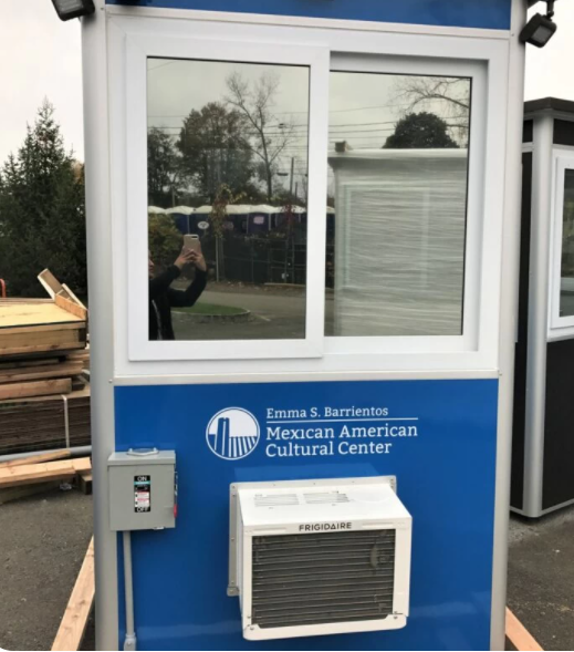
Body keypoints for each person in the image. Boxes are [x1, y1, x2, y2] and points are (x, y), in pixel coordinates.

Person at [149, 247, 207, 340]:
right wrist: (178, 264)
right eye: (145, 259)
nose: (151, 264)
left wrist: (202, 272)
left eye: (150, 259)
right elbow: (152, 289)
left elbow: (187, 299)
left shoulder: (161, 291)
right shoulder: (131, 291)